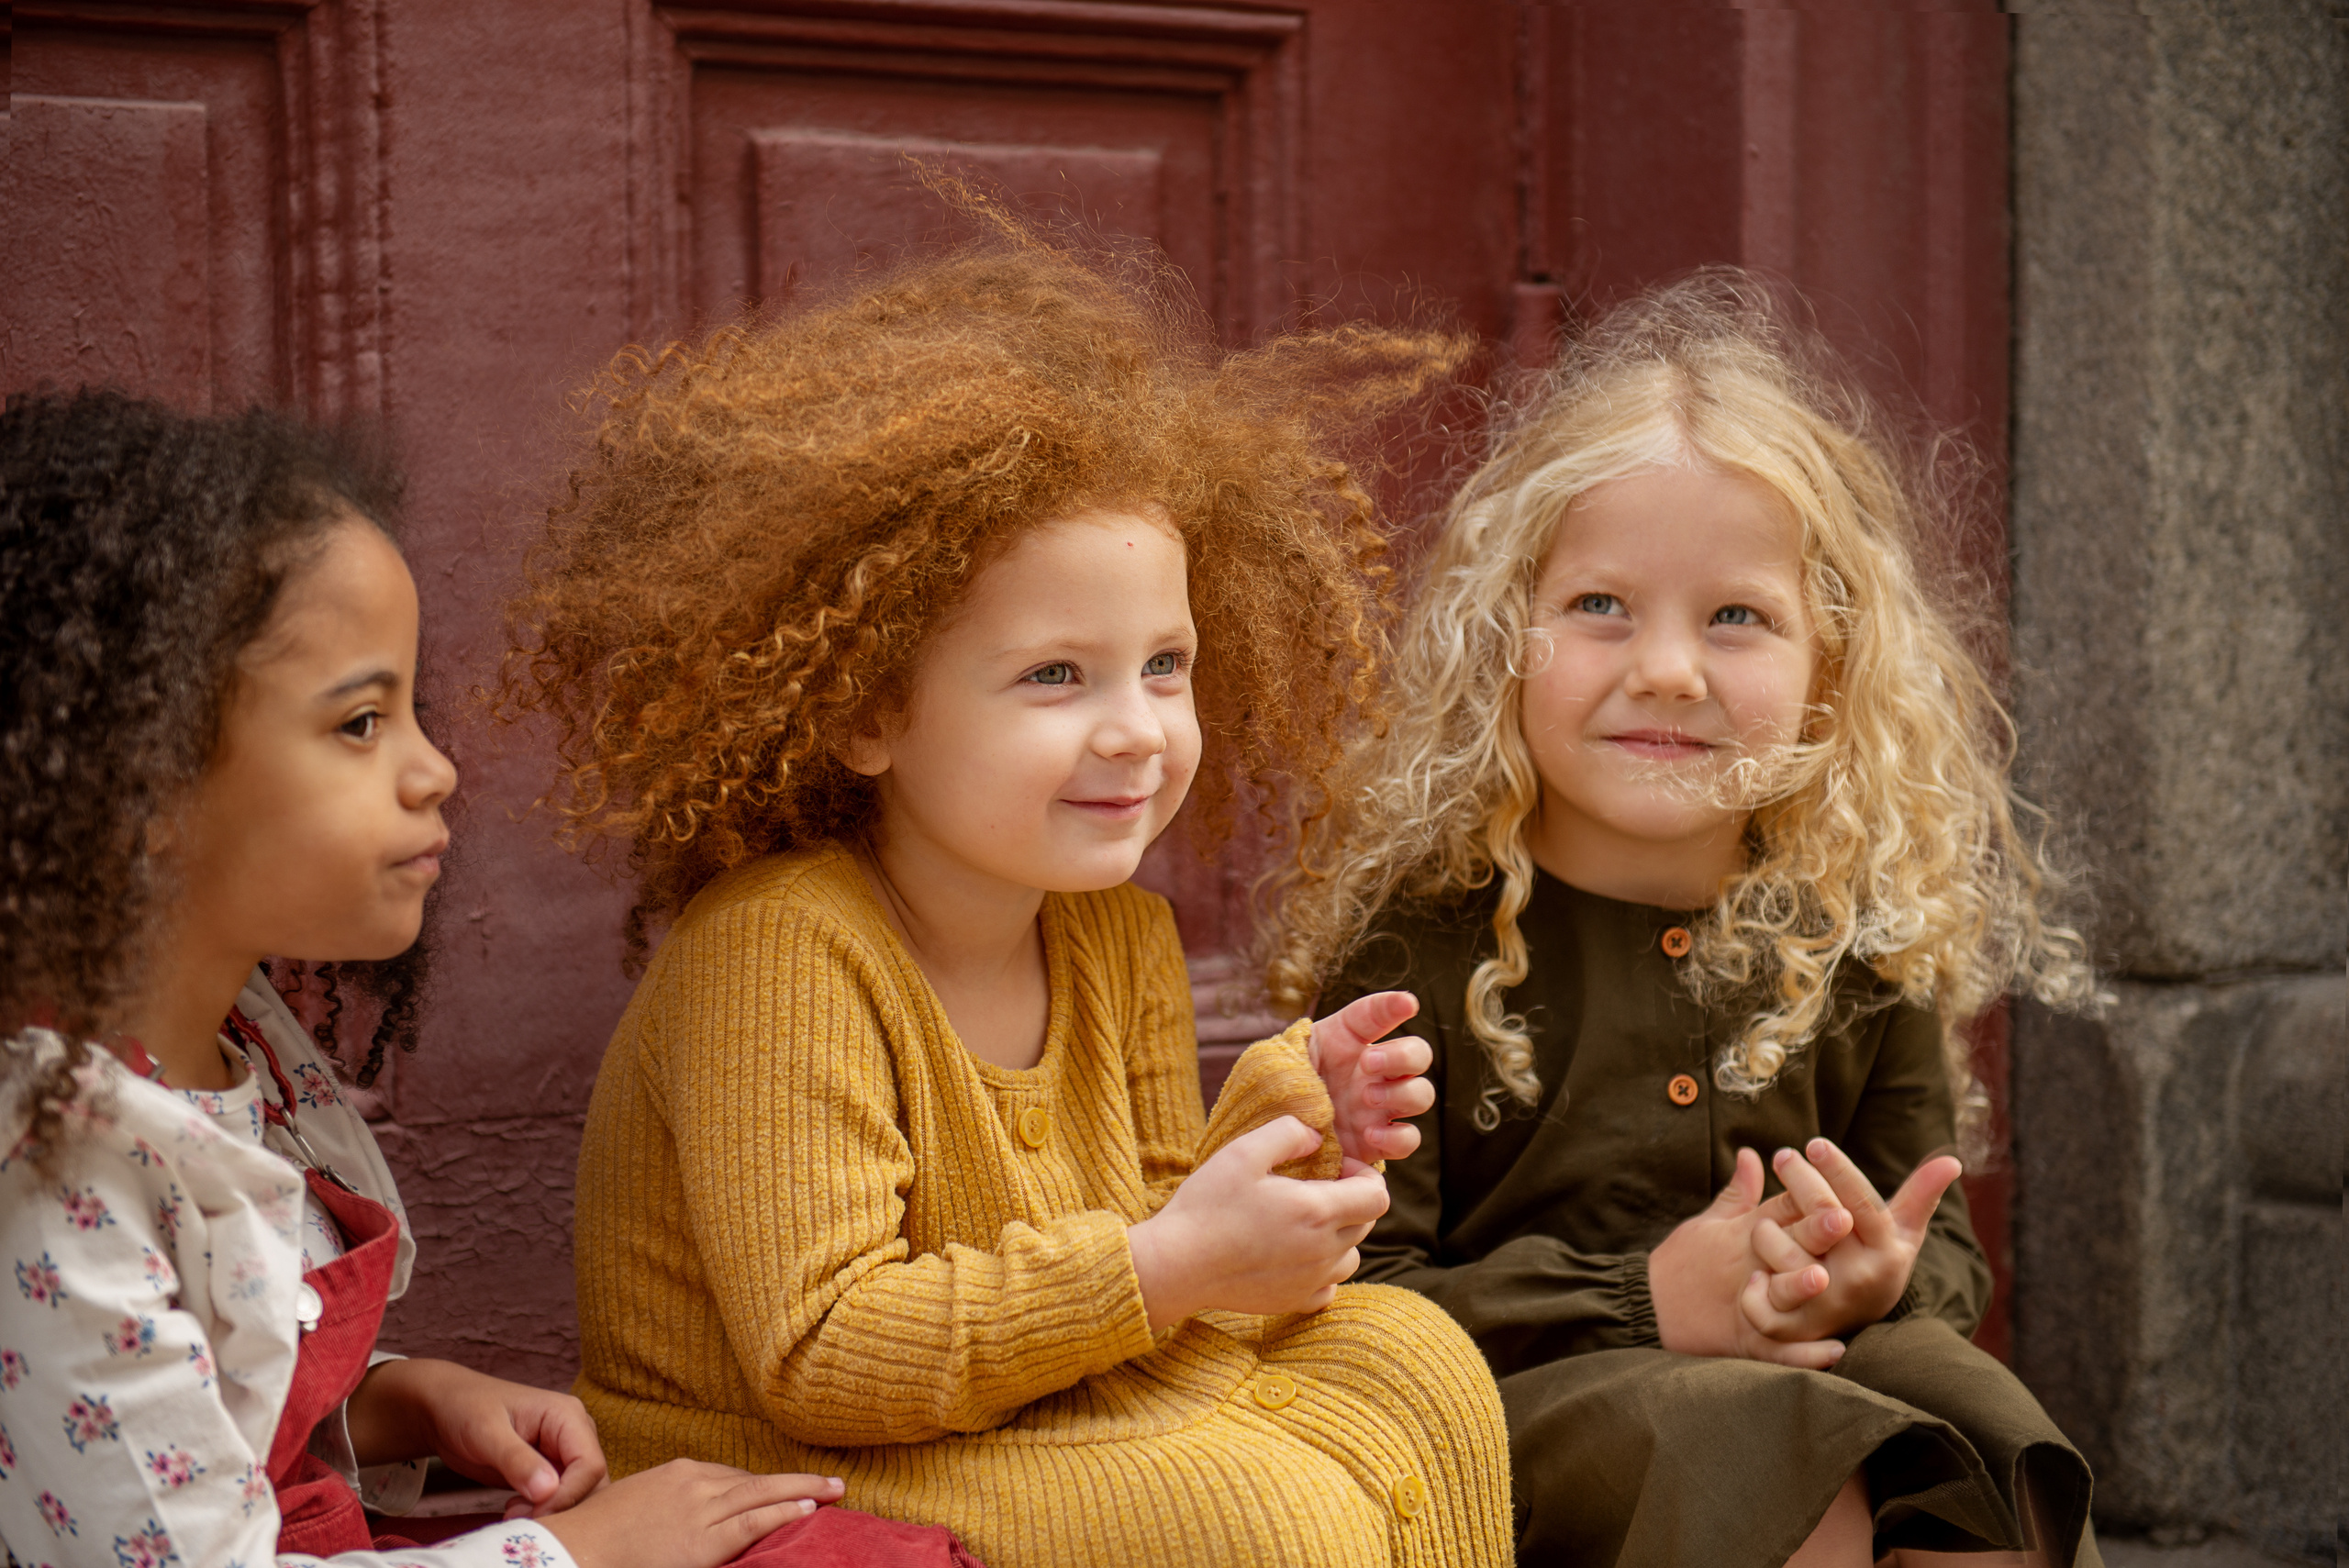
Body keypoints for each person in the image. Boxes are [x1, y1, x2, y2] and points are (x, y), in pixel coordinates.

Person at [498, 217, 1516, 1568]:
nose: (1138, 730)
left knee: (1419, 1364)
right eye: (1057, 675)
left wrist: (1289, 1122)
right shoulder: (780, 953)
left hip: (1014, 1407)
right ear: (867, 711)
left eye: (1165, 664)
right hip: (786, 1460)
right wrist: (1171, 1265)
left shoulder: (1117, 931)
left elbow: (1159, 1231)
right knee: (1274, 1520)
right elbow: (823, 1351)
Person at [1267, 272, 2107, 1568]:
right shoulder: (1414, 952)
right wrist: (1642, 1300)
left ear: (1834, 667)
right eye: (1601, 605)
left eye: (1738, 617)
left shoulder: (1849, 941)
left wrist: (1871, 1278)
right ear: (1507, 637)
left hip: (1808, 1377)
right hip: (1506, 1425)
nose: (1666, 666)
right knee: (1779, 1458)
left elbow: (1928, 1234)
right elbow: (1346, 1305)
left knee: (1977, 1447)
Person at [0, 391, 896, 1566]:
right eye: (363, 722)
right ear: (141, 781)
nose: (436, 768)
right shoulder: (54, 1176)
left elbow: (204, 1398)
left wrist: (404, 1399)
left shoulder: (244, 1042)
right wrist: (585, 1553)